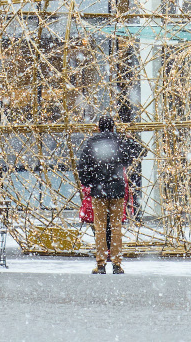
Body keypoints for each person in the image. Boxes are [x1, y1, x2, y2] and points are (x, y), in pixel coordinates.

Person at [76, 115, 143, 274]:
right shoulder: (119, 141)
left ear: (98, 127)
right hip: (117, 189)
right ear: (113, 127)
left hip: (98, 190)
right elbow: (132, 156)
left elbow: (82, 166)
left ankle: (100, 264)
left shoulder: (92, 142)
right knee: (116, 227)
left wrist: (90, 182)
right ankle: (117, 263)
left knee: (100, 227)